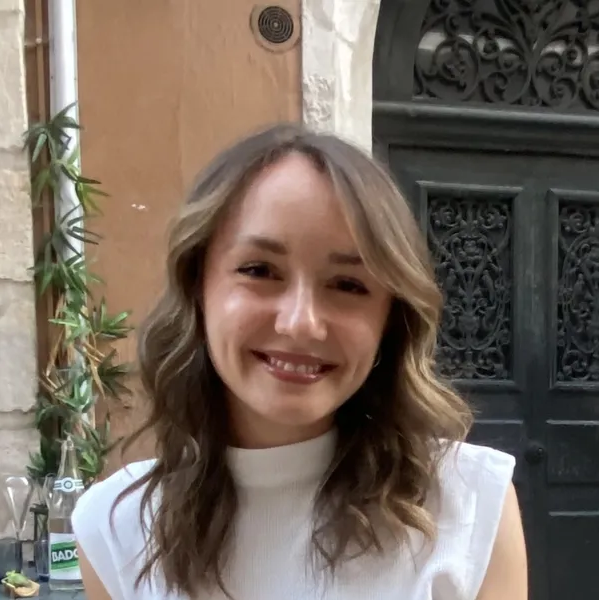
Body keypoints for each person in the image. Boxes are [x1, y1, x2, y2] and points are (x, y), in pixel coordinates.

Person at [71, 123, 528, 600]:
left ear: (390, 320)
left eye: (348, 284)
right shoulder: (115, 531)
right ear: (197, 287)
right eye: (259, 270)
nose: (301, 323)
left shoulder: (470, 508)